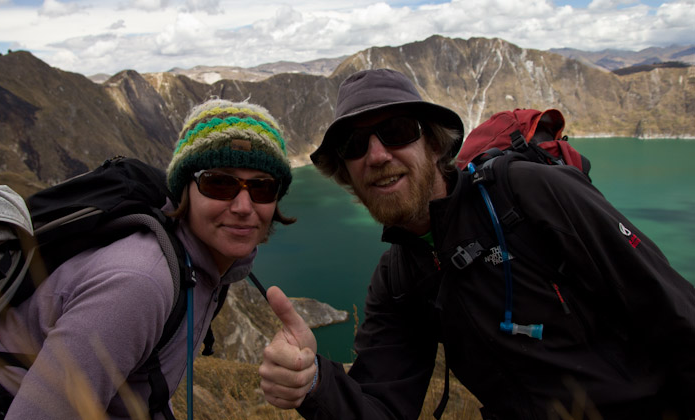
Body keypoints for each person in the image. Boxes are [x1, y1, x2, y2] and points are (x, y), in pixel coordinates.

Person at [258, 68, 695, 420]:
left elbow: (673, 310)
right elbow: (383, 407)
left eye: (396, 130)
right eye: (354, 145)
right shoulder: (398, 280)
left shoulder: (529, 192)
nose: (376, 155)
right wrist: (314, 383)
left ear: (432, 143)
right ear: (346, 172)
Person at [0, 99, 294, 419]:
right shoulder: (139, 283)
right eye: (218, 184)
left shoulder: (208, 263)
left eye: (262, 187)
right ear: (182, 190)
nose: (243, 207)